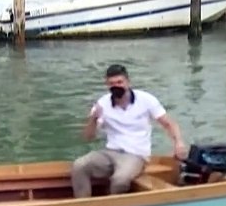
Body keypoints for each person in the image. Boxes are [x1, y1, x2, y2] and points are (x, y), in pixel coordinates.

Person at [70, 64, 188, 198]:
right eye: (112, 83)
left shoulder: (146, 99)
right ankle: (83, 205)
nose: (116, 86)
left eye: (120, 82)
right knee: (79, 165)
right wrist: (93, 119)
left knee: (120, 180)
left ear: (128, 82)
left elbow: (169, 123)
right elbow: (88, 137)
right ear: (107, 85)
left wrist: (179, 143)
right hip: (110, 152)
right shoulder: (102, 104)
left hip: (136, 154)